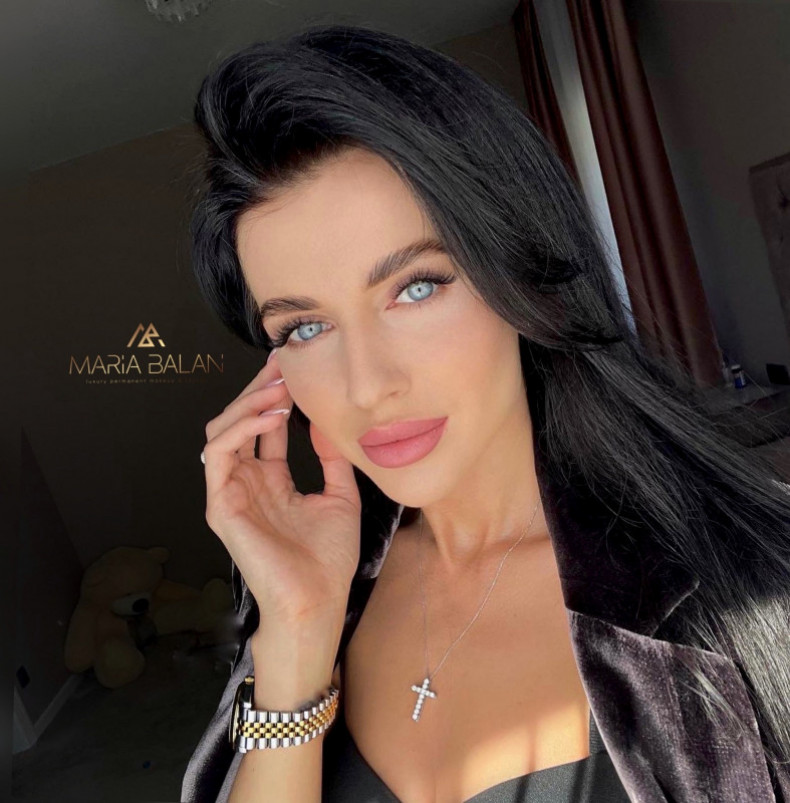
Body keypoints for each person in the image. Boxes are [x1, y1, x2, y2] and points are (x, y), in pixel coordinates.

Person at [181, 23, 790, 803]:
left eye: (416, 287)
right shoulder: (323, 592)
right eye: (304, 327)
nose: (367, 385)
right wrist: (297, 637)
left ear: (521, 274)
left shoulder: (743, 581)